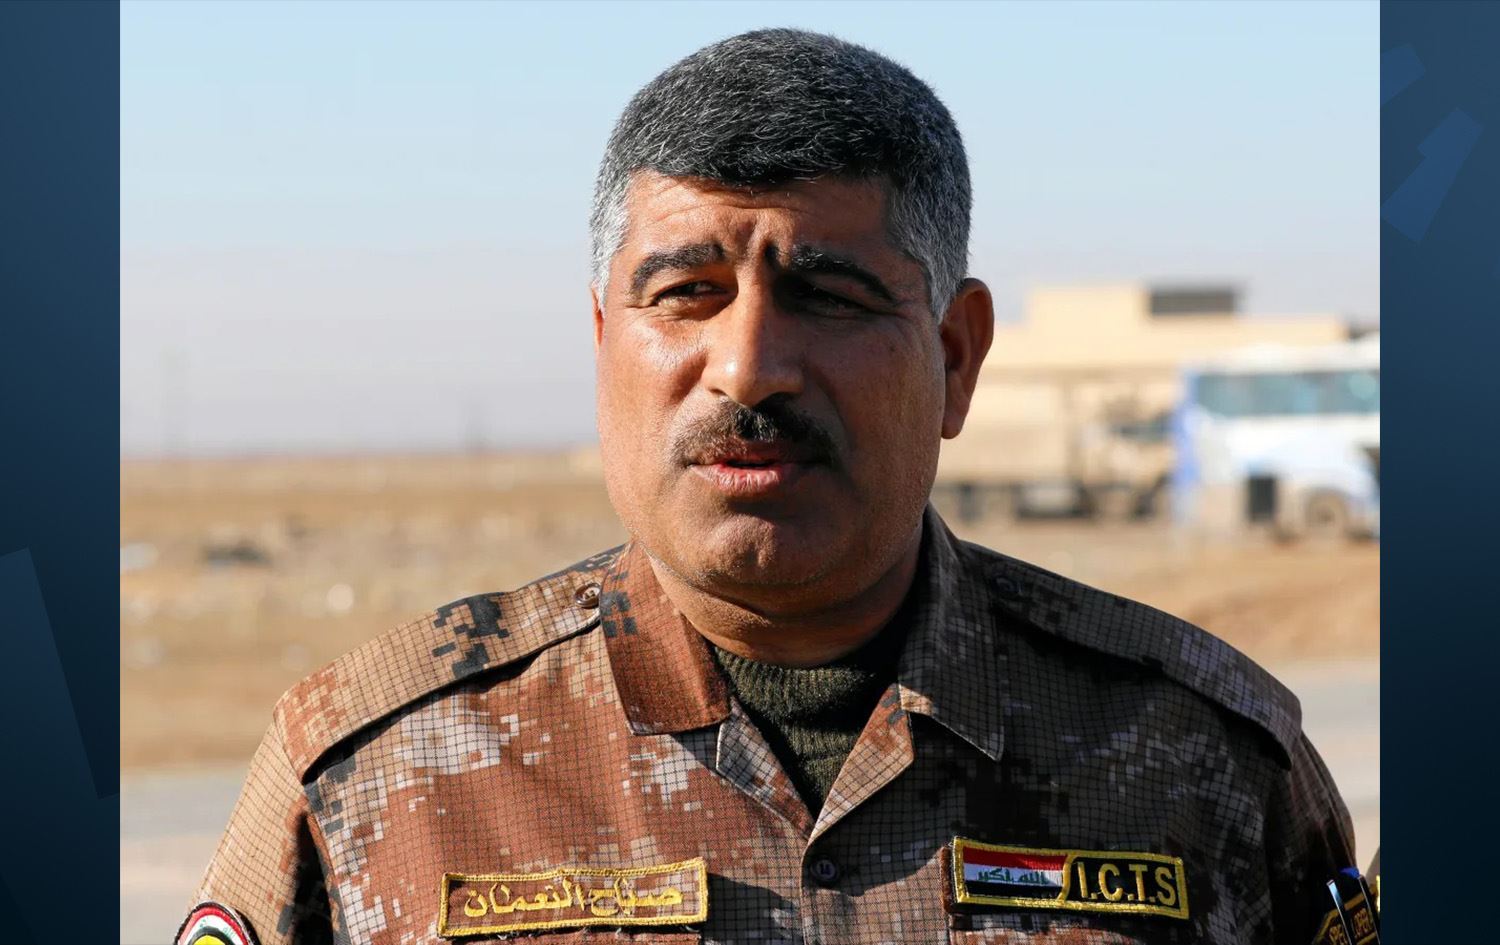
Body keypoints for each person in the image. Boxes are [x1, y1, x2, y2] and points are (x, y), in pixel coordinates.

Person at [178, 29, 1364, 945]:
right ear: (603, 344)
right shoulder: (371, 773)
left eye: (831, 297)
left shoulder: (1207, 762)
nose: (748, 367)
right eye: (685, 294)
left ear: (955, 359)